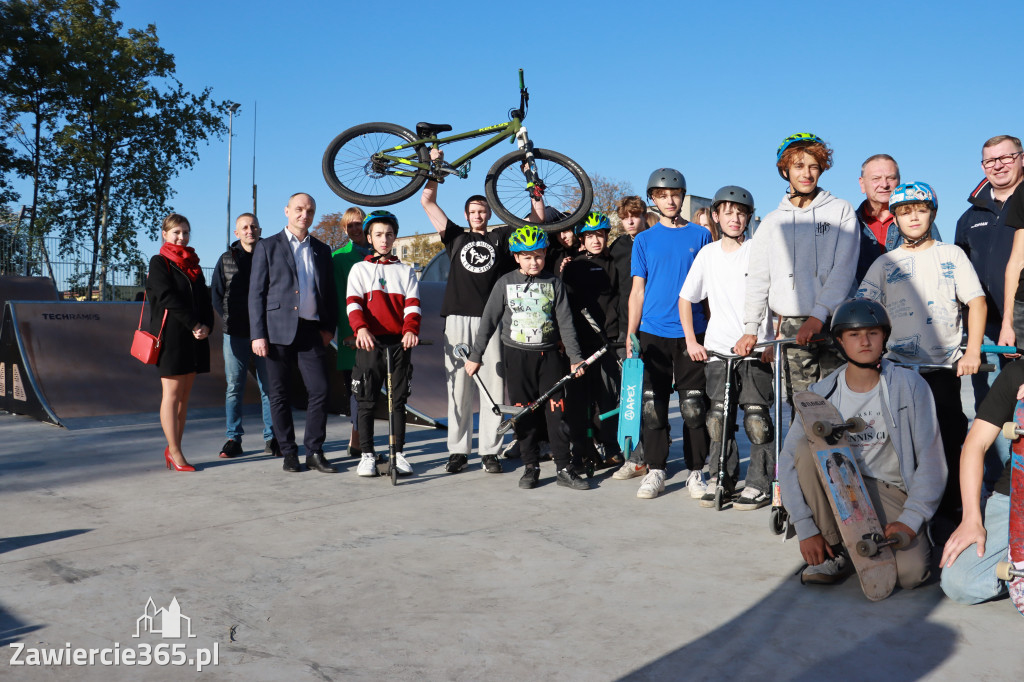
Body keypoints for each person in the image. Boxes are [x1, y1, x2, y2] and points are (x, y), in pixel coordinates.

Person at [778, 299, 945, 587]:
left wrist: (911, 518)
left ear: (884, 337)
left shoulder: (910, 386)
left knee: (910, 575)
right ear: (840, 341)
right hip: (839, 485)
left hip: (890, 491)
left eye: (873, 333)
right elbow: (788, 461)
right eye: (854, 335)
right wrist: (806, 529)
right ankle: (836, 551)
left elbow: (932, 460)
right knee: (806, 449)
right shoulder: (821, 393)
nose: (864, 342)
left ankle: (864, 542)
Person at [857, 182, 985, 526]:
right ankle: (902, 508)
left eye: (920, 209)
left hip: (942, 367)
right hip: (898, 368)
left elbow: (976, 301)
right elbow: (863, 308)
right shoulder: (886, 262)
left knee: (948, 438)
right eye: (904, 212)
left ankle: (951, 512)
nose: (913, 217)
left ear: (932, 213)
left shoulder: (951, 255)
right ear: (895, 219)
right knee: (899, 442)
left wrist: (972, 350)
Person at [736, 133, 859, 404]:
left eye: (813, 166)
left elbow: (844, 268)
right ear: (785, 170)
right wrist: (751, 327)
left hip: (835, 320)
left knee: (841, 405)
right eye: (799, 166)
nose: (806, 173)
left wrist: (819, 315)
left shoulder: (841, 210)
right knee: (804, 407)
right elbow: (758, 278)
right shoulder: (771, 222)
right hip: (793, 326)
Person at [465, 225, 590, 490]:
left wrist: (576, 358)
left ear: (545, 254)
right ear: (516, 257)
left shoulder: (554, 284)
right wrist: (475, 355)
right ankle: (530, 466)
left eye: (539, 256)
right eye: (527, 256)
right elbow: (488, 321)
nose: (534, 262)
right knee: (524, 415)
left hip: (550, 360)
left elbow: (566, 324)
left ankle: (563, 468)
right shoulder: (505, 283)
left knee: (557, 415)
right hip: (518, 358)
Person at [679, 186, 777, 510]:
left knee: (756, 419)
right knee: (717, 418)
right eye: (728, 212)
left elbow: (775, 301)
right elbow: (686, 298)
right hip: (719, 349)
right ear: (716, 216)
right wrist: (692, 340)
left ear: (748, 217)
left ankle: (759, 484)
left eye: (741, 212)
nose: (735, 218)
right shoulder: (707, 255)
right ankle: (724, 477)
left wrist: (772, 344)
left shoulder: (758, 252)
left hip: (756, 348)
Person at [420, 158, 513, 475]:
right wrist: (434, 169)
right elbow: (427, 201)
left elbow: (536, 221)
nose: (478, 215)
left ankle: (490, 451)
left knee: (493, 388)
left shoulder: (500, 237)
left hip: (491, 320)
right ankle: (458, 451)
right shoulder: (455, 236)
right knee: (458, 388)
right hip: (457, 320)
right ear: (466, 215)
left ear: (489, 213)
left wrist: (532, 183)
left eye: (482, 211)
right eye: (473, 212)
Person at [626, 167, 712, 500]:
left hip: (694, 331)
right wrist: (630, 335)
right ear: (653, 199)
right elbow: (637, 290)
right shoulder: (644, 240)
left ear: (683, 196)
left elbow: (708, 289)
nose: (670, 200)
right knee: (653, 404)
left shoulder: (700, 236)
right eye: (662, 195)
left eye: (675, 194)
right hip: (653, 331)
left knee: (693, 406)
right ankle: (656, 469)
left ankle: (695, 471)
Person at [249, 192, 338, 474]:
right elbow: (256, 294)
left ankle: (314, 450)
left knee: (321, 390)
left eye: (310, 210)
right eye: (299, 209)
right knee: (278, 394)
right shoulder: (267, 246)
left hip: (311, 330)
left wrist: (328, 327)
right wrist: (257, 334)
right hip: (276, 332)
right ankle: (288, 451)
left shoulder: (322, 250)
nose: (305, 215)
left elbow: (329, 293)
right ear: (287, 211)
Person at [956, 135, 1024, 489]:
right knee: (989, 407)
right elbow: (957, 273)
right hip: (985, 329)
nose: (998, 165)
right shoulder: (970, 216)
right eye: (990, 161)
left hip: (1022, 324)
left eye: (1006, 157)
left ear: (1021, 158)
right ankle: (1001, 481)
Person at [346, 211, 421, 477]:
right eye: (378, 234)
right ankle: (366, 455)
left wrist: (411, 330)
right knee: (366, 400)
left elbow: (413, 305)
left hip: (399, 344)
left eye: (389, 234)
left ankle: (397, 453)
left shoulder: (405, 270)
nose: (384, 239)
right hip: (369, 344)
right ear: (369, 237)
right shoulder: (360, 269)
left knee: (397, 400)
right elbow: (353, 303)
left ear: (394, 237)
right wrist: (361, 329)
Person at [939, 358, 1020, 606]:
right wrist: (971, 519)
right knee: (959, 581)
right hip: (1015, 495)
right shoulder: (1019, 372)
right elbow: (976, 444)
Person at [146, 213, 214, 472]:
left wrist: (207, 325)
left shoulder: (193, 265)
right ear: (165, 234)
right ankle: (175, 451)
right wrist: (194, 324)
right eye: (176, 232)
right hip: (173, 337)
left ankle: (174, 447)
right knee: (172, 395)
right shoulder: (159, 262)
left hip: (195, 337)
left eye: (185, 232)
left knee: (184, 398)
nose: (181, 237)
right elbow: (166, 297)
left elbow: (205, 300)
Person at [211, 213, 277, 459]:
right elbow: (217, 295)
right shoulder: (226, 259)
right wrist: (228, 319)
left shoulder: (270, 255)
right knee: (234, 387)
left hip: (266, 333)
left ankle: (272, 438)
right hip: (235, 333)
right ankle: (233, 439)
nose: (250, 230)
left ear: (259, 229)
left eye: (254, 226)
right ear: (237, 233)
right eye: (244, 227)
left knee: (269, 388)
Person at [562, 211, 623, 470]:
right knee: (581, 399)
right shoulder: (573, 266)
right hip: (581, 343)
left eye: (600, 234)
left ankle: (609, 445)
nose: (596, 240)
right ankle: (584, 449)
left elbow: (620, 300)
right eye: (590, 236)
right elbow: (566, 307)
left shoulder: (615, 264)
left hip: (609, 341)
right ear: (581, 239)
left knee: (608, 397)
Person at [609, 195, 650, 480]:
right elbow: (610, 288)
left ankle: (654, 451)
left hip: (657, 326)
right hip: (628, 330)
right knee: (632, 396)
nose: (631, 221)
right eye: (626, 217)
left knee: (654, 396)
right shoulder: (618, 248)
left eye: (635, 215)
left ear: (644, 215)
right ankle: (636, 457)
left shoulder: (655, 239)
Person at [331, 224, 365, 458]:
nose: (354, 229)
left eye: (358, 223)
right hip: (351, 333)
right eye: (349, 225)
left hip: (375, 333)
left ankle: (361, 440)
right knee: (355, 390)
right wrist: (348, 332)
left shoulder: (378, 254)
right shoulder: (338, 257)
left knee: (368, 391)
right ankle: (357, 440)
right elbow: (339, 298)